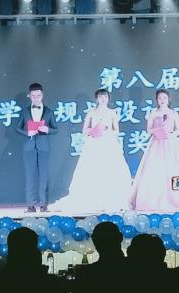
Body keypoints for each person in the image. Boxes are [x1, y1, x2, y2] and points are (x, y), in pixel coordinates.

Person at [52, 88, 132, 213]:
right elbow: (84, 130)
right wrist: (93, 131)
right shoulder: (91, 113)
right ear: (96, 98)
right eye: (100, 96)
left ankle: (111, 198)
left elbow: (116, 130)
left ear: (108, 98)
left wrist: (106, 131)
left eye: (105, 96)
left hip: (108, 144)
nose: (103, 99)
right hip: (94, 143)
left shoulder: (112, 113)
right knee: (92, 169)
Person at [130, 89, 179, 211]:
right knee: (154, 170)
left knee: (175, 169)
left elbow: (178, 130)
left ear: (168, 100)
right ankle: (152, 200)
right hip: (156, 144)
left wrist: (170, 135)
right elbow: (149, 130)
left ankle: (177, 200)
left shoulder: (173, 113)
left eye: (164, 98)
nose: (162, 100)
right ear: (156, 100)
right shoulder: (153, 113)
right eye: (160, 98)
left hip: (171, 143)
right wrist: (157, 130)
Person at [14, 82, 58, 212]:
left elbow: (55, 129)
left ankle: (44, 204)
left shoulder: (49, 112)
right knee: (30, 175)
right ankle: (30, 204)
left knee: (44, 175)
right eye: (33, 96)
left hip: (44, 147)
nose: (36, 98)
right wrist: (27, 132)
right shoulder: (25, 111)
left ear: (42, 95)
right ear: (30, 96)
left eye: (38, 96)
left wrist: (47, 129)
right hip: (29, 147)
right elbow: (17, 128)